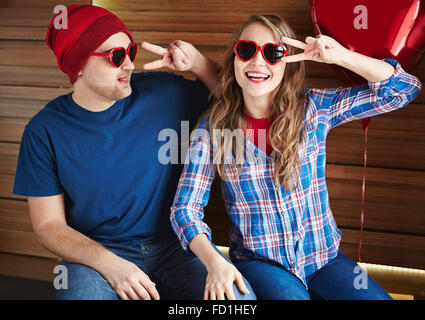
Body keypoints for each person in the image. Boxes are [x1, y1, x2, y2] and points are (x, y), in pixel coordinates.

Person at [12, 4, 256, 300]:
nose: (128, 64)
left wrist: (198, 63)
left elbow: (240, 103)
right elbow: (49, 225)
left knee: (239, 301)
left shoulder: (165, 92)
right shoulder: (44, 130)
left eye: (130, 52)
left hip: (177, 246)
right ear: (77, 65)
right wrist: (110, 265)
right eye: (115, 57)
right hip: (97, 254)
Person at [170, 14, 422, 300]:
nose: (258, 62)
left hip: (326, 259)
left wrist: (341, 56)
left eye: (273, 53)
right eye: (246, 50)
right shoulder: (212, 128)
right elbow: (185, 209)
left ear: (288, 64)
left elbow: (403, 90)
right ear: (234, 60)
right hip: (261, 265)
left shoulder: (314, 109)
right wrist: (215, 262)